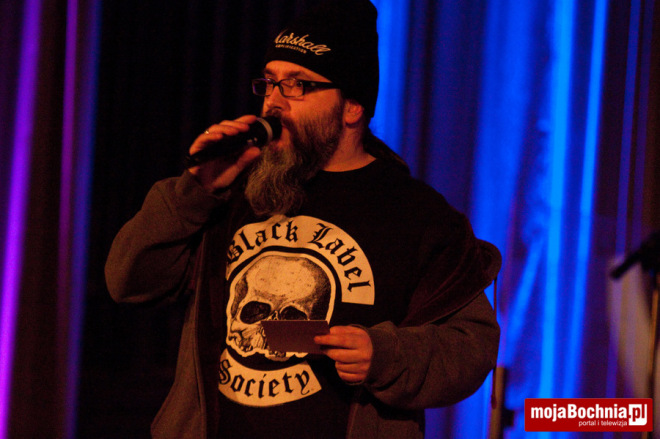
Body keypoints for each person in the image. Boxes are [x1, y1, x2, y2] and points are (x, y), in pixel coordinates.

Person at [105, 0, 501, 438]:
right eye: (270, 83)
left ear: (352, 107)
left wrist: (386, 355)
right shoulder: (232, 190)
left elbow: (471, 345)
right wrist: (194, 191)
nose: (273, 103)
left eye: (296, 85)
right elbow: (128, 281)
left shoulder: (417, 214)